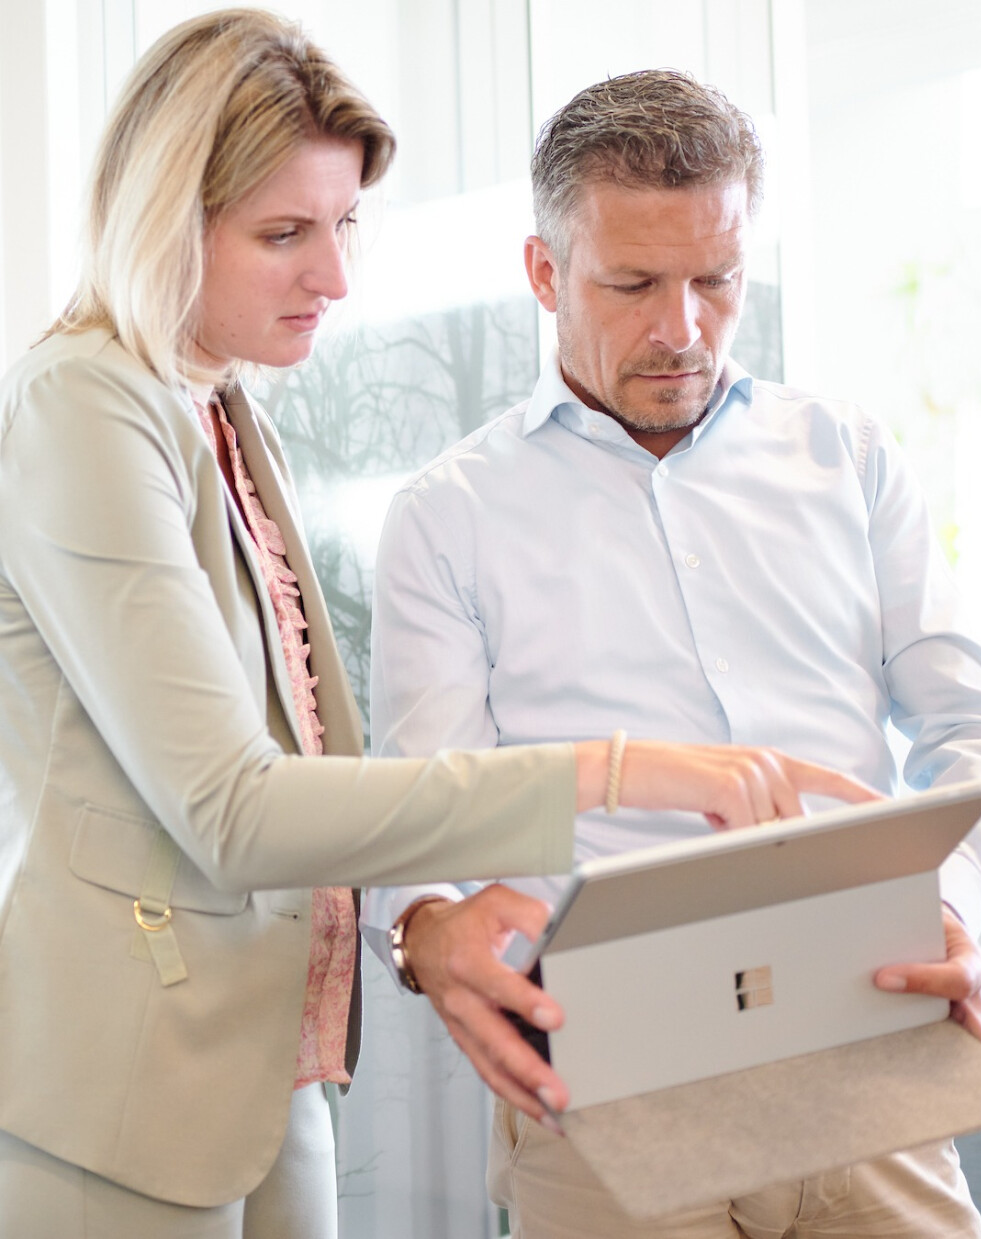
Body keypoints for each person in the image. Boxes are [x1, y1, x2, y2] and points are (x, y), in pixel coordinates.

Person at [0, 22, 874, 1239]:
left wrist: (428, 922)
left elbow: (311, 761)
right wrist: (622, 774)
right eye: (283, 234)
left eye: (343, 224)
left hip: (263, 1056)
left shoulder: (218, 409)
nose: (334, 277)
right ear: (162, 223)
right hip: (132, 1078)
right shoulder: (84, 405)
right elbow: (231, 808)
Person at [363, 70, 981, 1238]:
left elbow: (975, 729)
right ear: (544, 273)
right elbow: (425, 806)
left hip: (864, 1042)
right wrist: (425, 921)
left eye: (716, 279)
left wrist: (947, 899)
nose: (681, 329)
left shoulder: (846, 458)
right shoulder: (448, 515)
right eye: (632, 284)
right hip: (605, 1087)